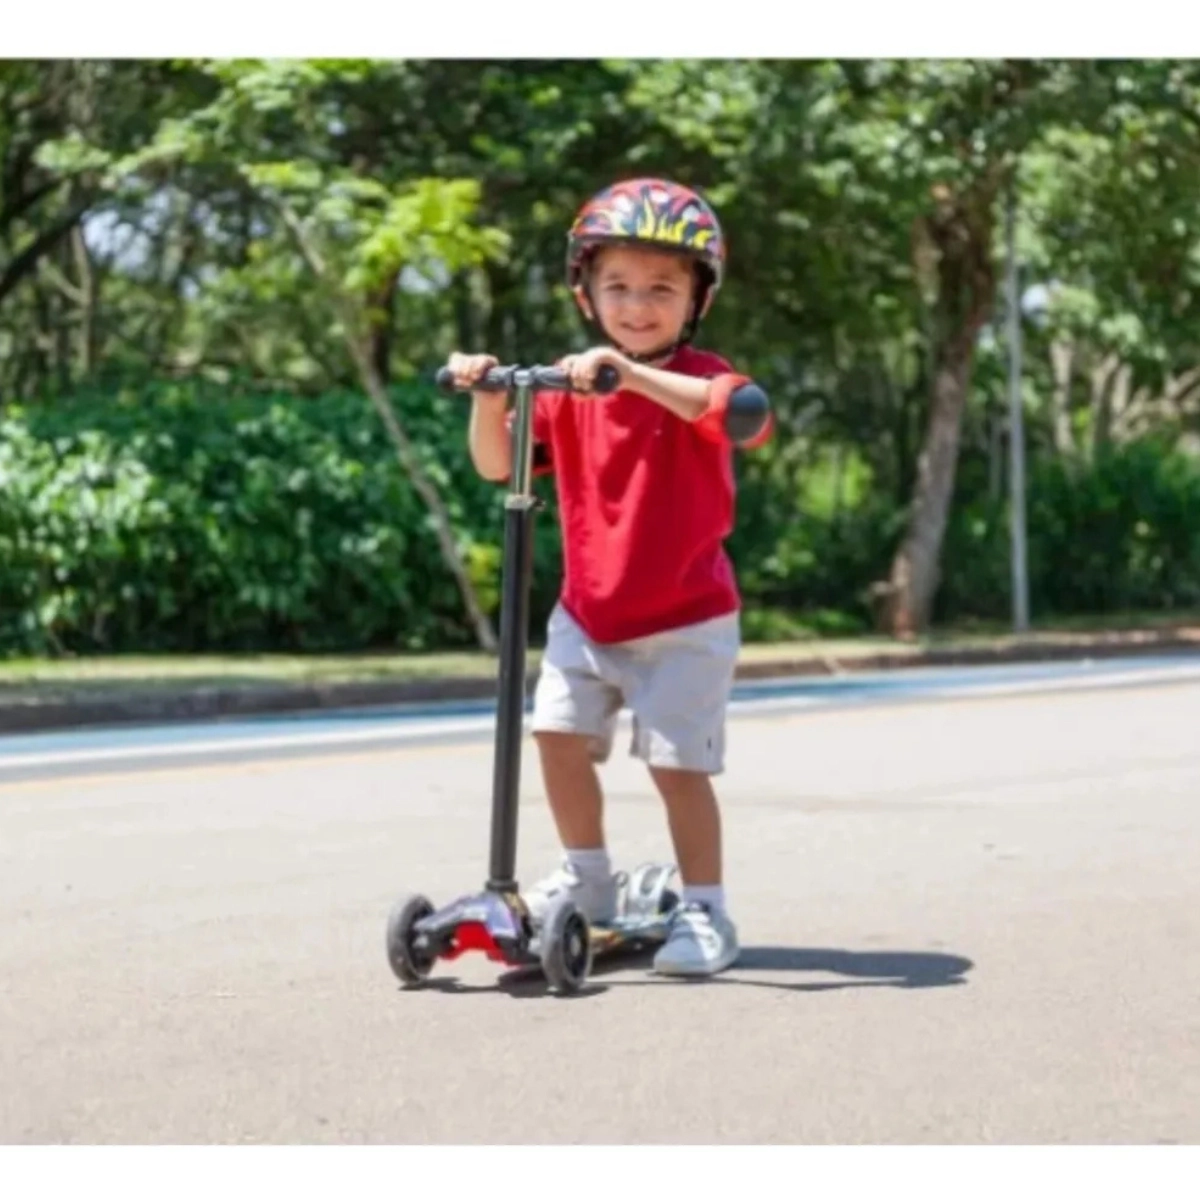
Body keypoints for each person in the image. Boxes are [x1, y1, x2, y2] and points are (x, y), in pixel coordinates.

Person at [446, 177, 773, 976]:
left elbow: (743, 413)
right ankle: (588, 877)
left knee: (675, 766)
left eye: (661, 289)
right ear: (586, 294)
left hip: (687, 619)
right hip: (588, 614)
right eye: (617, 286)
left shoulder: (698, 379)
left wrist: (629, 377)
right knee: (554, 735)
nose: (636, 305)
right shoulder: (571, 383)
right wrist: (490, 398)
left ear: (696, 299)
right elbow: (501, 467)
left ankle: (706, 908)